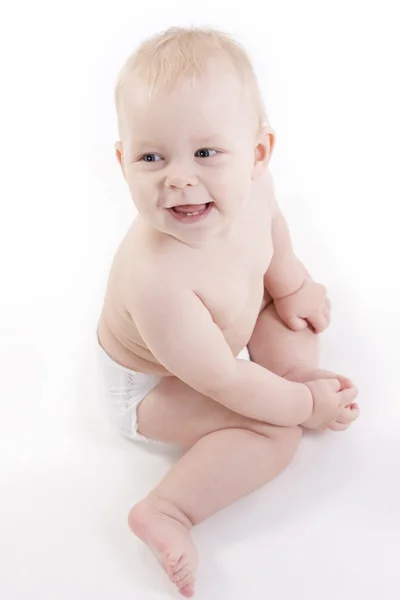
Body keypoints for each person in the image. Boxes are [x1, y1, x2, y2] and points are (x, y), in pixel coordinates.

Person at [97, 26, 359, 598]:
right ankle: (167, 510)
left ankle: (286, 376)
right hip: (155, 386)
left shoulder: (253, 191)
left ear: (257, 154)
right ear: (123, 162)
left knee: (288, 317)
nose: (180, 178)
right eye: (151, 156)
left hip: (216, 335)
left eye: (206, 152)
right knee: (275, 433)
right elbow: (222, 377)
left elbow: (274, 239)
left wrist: (291, 285)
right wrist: (301, 405)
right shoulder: (157, 279)